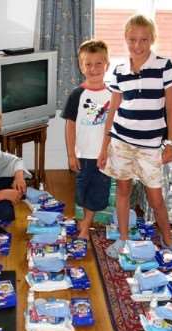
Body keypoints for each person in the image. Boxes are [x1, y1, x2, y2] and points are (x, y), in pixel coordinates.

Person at [97, 14, 172, 261]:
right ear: (125, 39)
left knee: (156, 198)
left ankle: (169, 239)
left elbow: (171, 108)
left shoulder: (163, 66)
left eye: (143, 40)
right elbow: (113, 110)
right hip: (121, 142)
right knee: (123, 191)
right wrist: (104, 146)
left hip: (150, 146)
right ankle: (124, 238)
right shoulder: (119, 71)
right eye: (132, 40)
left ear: (152, 40)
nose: (137, 45)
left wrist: (171, 143)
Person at [61, 39, 112, 239]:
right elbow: (70, 125)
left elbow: (115, 126)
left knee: (99, 192)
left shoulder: (113, 95)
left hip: (104, 155)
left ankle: (86, 225)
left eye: (98, 63)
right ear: (81, 67)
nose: (93, 68)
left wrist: (108, 151)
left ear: (107, 65)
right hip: (83, 155)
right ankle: (84, 219)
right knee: (82, 192)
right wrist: (71, 154)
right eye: (88, 64)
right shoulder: (77, 95)